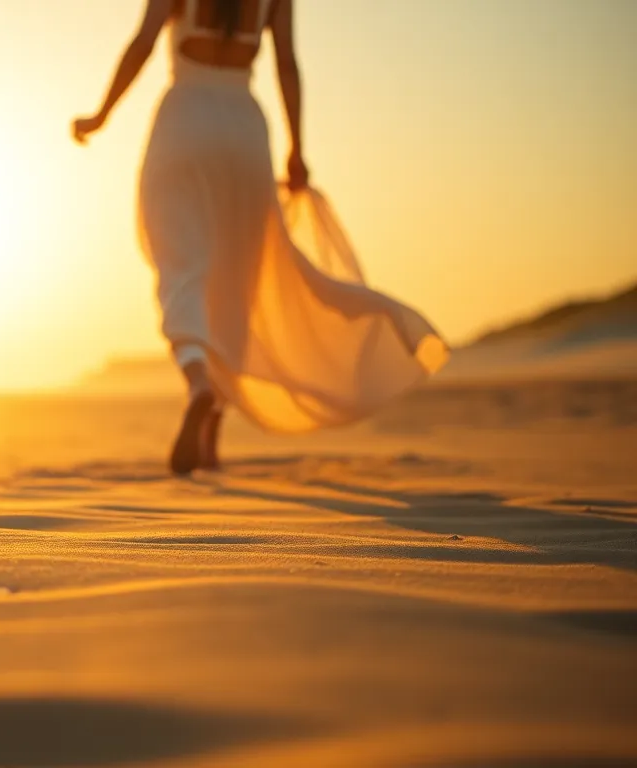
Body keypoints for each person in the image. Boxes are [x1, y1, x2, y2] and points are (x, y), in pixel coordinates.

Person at [73, 0, 446, 474]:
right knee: (237, 285)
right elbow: (287, 63)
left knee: (180, 268)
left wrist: (101, 115)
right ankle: (210, 439)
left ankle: (198, 382)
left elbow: (143, 43)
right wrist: (297, 149)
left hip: (184, 120)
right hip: (245, 130)